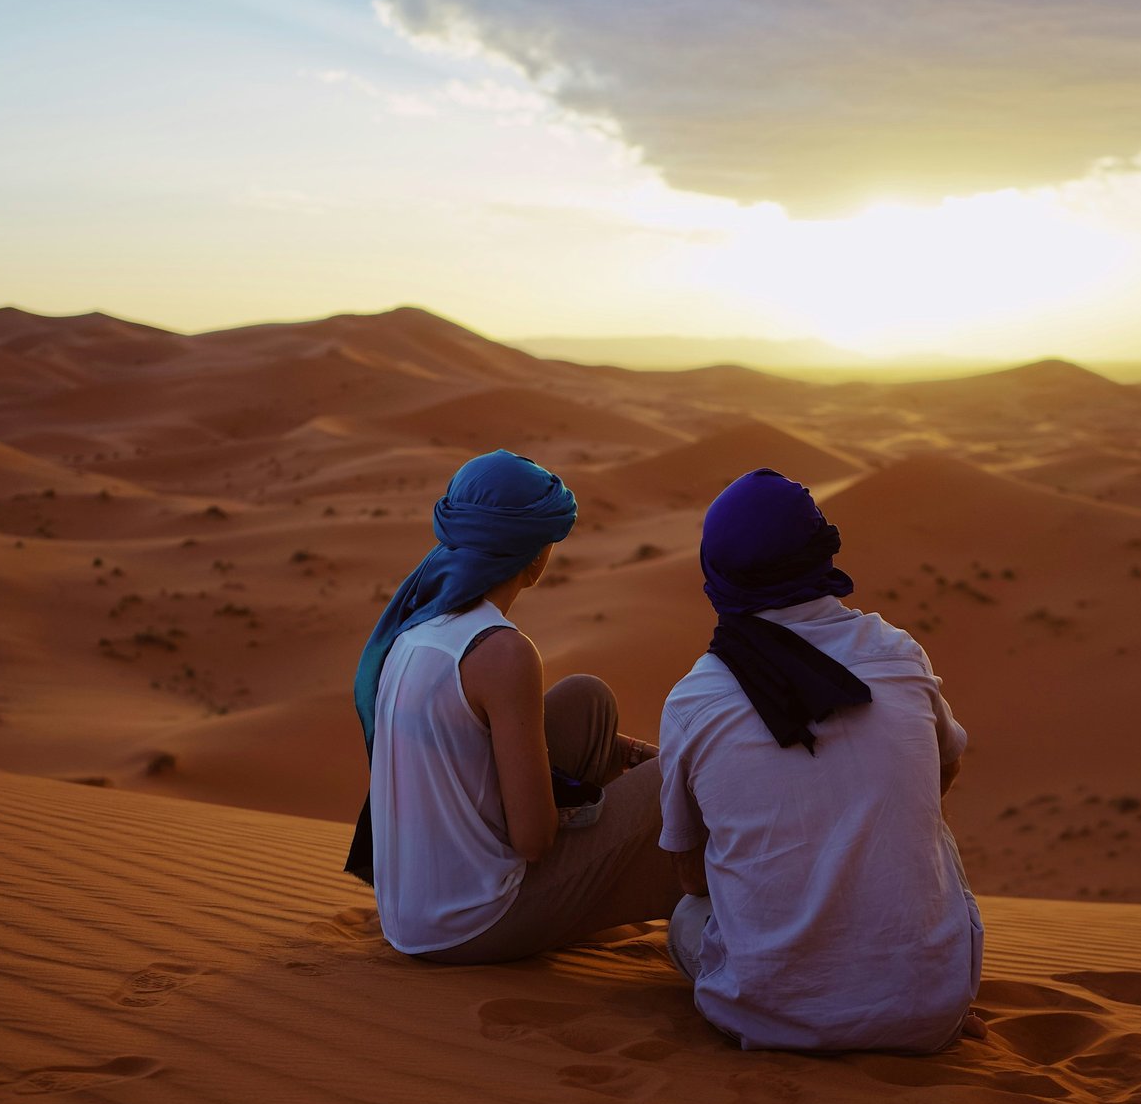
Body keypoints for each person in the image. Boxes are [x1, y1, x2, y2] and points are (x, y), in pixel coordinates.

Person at [658, 468, 983, 1051]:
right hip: (930, 1016)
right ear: (820, 551)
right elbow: (945, 770)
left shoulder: (694, 699)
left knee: (687, 918)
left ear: (716, 570)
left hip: (764, 1018)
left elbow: (690, 877)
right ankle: (916, 981)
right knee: (930, 818)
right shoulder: (898, 654)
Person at [344, 449, 681, 963]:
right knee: (680, 775)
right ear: (536, 553)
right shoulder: (501, 652)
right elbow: (533, 841)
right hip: (473, 921)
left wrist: (621, 756)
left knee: (586, 700)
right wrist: (610, 805)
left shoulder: (417, 626)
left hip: (411, 913)